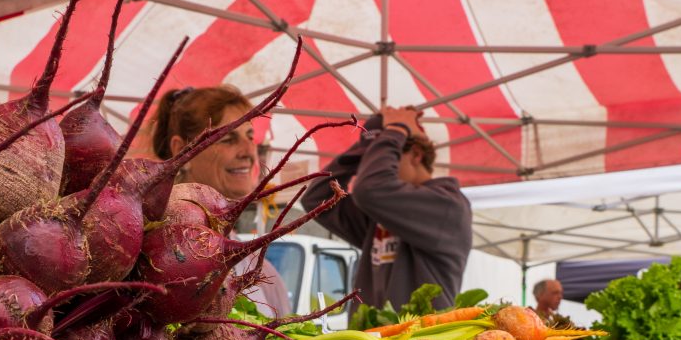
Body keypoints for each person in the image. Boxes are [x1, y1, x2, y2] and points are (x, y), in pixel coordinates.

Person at [299, 105, 471, 311]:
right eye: (370, 158)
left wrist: (396, 130)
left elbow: (370, 189)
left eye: (383, 157)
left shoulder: (448, 206)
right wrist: (361, 151)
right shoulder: (379, 213)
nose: (370, 165)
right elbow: (317, 199)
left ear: (416, 154)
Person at [145, 85, 291, 317]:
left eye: (250, 137)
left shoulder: (261, 269)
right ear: (183, 150)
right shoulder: (153, 247)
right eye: (229, 139)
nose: (248, 152)